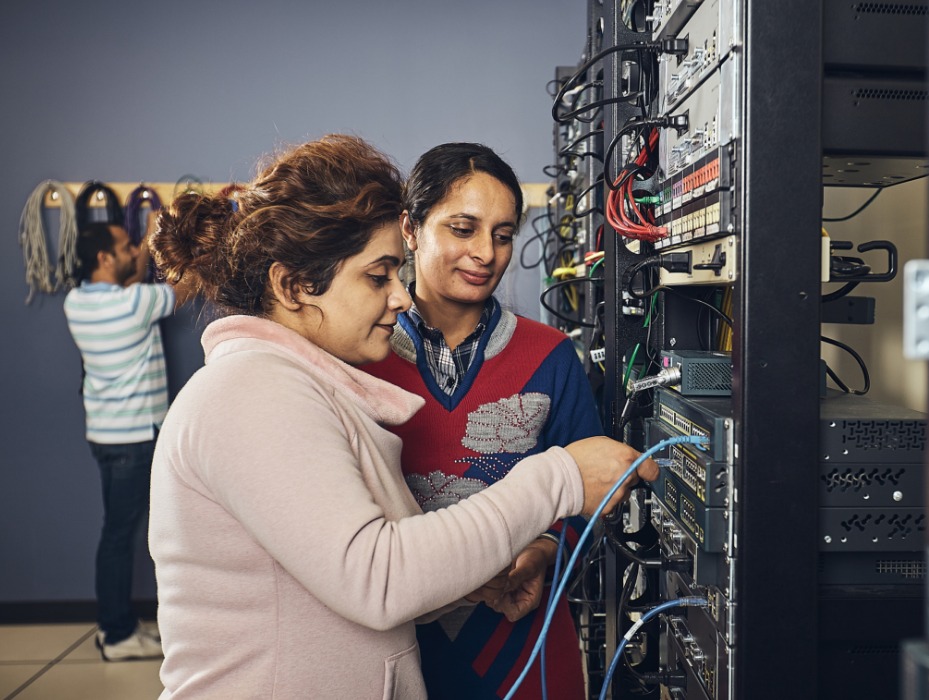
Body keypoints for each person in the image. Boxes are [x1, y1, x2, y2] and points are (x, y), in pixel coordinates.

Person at [145, 134, 655, 699]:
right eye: (378, 276)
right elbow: (379, 575)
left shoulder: (304, 383)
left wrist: (488, 575)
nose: (400, 297)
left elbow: (357, 566)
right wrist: (558, 477)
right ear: (291, 286)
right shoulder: (252, 392)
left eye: (503, 235)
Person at [361, 142, 599, 699]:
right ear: (411, 228)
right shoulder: (360, 355)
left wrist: (542, 551)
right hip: (392, 647)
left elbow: (591, 493)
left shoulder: (551, 356)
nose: (485, 253)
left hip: (522, 644)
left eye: (502, 234)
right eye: (463, 228)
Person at [64, 218, 178, 661]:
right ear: (104, 258)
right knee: (122, 535)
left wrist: (145, 243)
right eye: (126, 245)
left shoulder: (76, 303)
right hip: (134, 440)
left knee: (117, 531)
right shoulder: (137, 303)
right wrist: (166, 242)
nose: (134, 250)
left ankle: (120, 626)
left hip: (105, 435)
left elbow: (130, 286)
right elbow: (182, 289)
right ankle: (115, 634)